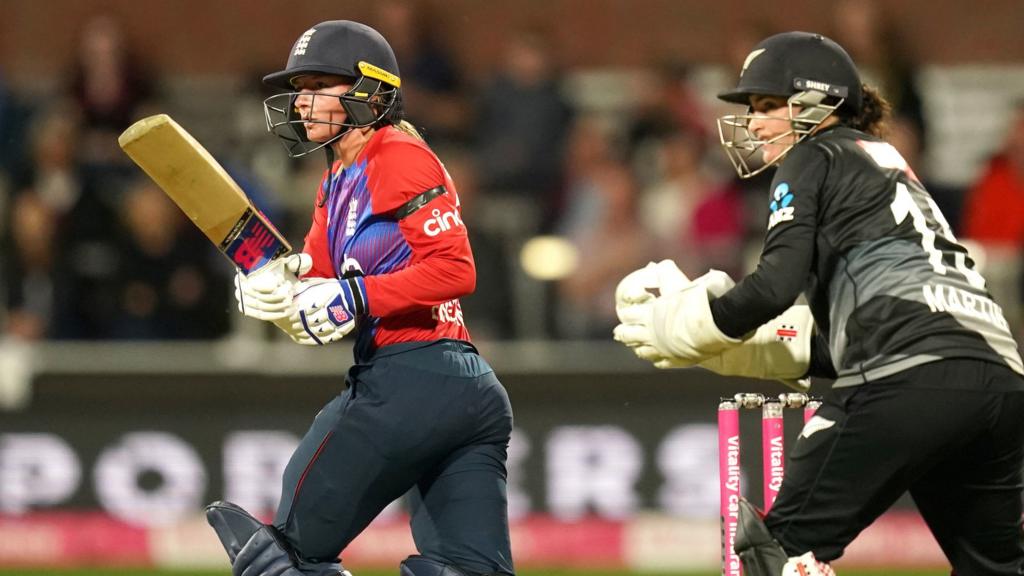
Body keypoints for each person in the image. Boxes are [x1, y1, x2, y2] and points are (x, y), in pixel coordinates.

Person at [613, 31, 1024, 575]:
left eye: (766, 106)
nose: (754, 123)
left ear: (815, 103)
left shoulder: (814, 156)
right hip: (1000, 385)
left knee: (776, 555)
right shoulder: (886, 163)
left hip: (905, 380)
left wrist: (699, 325)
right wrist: (779, 346)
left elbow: (775, 286)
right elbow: (899, 320)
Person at [204, 20, 515, 576]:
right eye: (298, 88)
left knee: (282, 563)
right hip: (461, 393)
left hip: (411, 378)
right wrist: (274, 288)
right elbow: (317, 284)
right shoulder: (336, 178)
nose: (300, 102)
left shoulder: (396, 154)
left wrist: (353, 297)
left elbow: (455, 269)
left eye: (317, 84)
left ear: (369, 91)